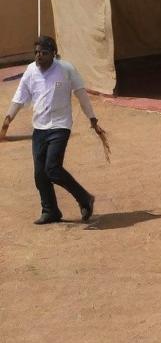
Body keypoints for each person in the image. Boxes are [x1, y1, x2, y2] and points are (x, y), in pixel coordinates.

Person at [0, 35, 108, 225]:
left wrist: (92, 119)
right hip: (39, 127)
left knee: (52, 168)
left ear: (53, 54)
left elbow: (81, 95)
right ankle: (50, 210)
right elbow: (19, 96)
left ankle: (84, 198)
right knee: (40, 173)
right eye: (36, 52)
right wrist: (8, 119)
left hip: (60, 125)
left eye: (43, 53)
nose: (38, 56)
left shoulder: (66, 69)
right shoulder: (31, 71)